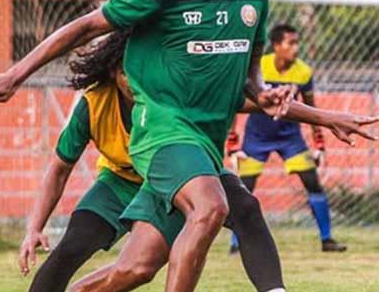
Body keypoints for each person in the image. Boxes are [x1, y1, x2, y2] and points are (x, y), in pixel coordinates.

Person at [0, 0, 378, 291]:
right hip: (161, 135)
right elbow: (86, 26)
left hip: (203, 146)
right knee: (211, 206)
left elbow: (250, 79)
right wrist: (14, 75)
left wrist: (271, 94)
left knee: (141, 266)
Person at [19, 30, 285, 292]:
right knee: (74, 246)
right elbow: (59, 169)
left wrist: (317, 115)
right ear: (113, 72)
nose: (136, 78)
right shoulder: (94, 104)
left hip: (179, 176)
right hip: (121, 181)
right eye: (126, 71)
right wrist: (34, 228)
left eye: (143, 67)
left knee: (246, 207)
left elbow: (250, 103)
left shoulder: (174, 90)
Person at [229, 24, 346, 255]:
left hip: (290, 138)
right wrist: (232, 144)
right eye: (291, 43)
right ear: (276, 46)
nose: (296, 48)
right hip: (257, 137)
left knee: (312, 183)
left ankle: (327, 239)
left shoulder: (303, 72)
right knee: (244, 189)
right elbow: (236, 103)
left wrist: (319, 145)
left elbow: (312, 109)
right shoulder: (259, 67)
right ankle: (236, 242)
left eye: (297, 42)